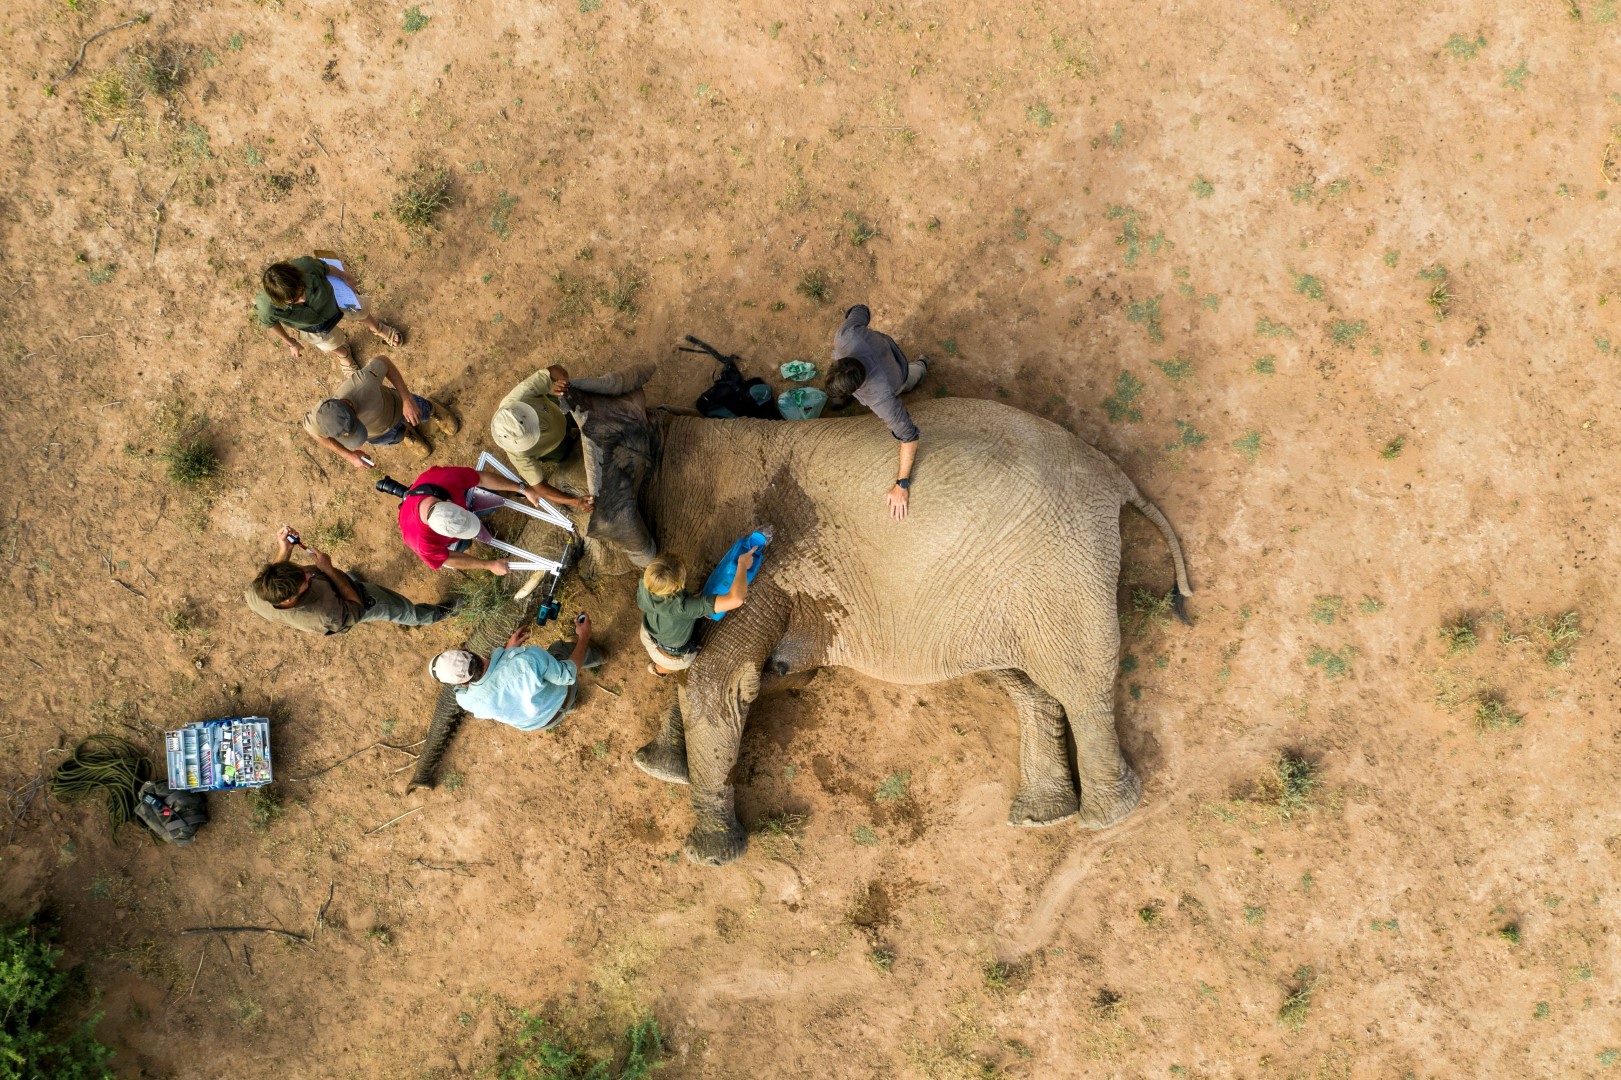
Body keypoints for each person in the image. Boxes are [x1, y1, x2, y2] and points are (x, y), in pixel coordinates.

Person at [824, 303, 930, 520]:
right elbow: (860, 309)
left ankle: (923, 365)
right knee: (906, 372)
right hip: (883, 348)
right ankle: (920, 366)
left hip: (897, 375)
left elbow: (909, 436)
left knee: (911, 376)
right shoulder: (847, 335)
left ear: (858, 389)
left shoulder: (882, 398)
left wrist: (902, 483)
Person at [246, 526, 454, 635]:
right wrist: (328, 570)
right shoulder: (326, 614)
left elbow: (275, 570)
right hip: (355, 604)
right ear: (291, 599)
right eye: (306, 581)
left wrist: (284, 549)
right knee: (400, 609)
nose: (309, 574)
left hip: (332, 593)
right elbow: (356, 606)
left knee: (342, 579)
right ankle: (434, 615)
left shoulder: (256, 593)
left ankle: (346, 580)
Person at [398, 464, 592, 574]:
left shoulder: (444, 479)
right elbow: (449, 559)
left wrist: (523, 489)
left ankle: (472, 517)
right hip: (435, 538)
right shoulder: (422, 544)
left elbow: (481, 479)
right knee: (461, 547)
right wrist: (488, 565)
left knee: (486, 492)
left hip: (445, 497)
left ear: (448, 501)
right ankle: (462, 540)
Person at [429, 615, 603, 731]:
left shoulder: (466, 701)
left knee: (559, 704)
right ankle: (600, 656)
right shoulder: (526, 659)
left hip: (542, 723)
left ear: (462, 684)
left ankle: (572, 706)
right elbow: (567, 675)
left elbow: (494, 681)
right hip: (564, 692)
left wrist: (506, 652)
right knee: (558, 650)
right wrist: (584, 636)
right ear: (468, 650)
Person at [305, 356, 459, 467]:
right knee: (394, 437)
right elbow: (313, 433)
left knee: (421, 410)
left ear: (351, 409)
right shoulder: (321, 419)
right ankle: (406, 433)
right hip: (377, 435)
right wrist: (349, 455)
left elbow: (384, 362)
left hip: (397, 407)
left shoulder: (363, 383)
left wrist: (406, 399)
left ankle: (433, 410)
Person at [255, 256, 402, 371]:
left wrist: (346, 277)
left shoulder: (306, 266)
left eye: (302, 290)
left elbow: (326, 268)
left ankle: (377, 328)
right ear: (279, 301)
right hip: (313, 327)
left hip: (336, 301)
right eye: (294, 300)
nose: (302, 299)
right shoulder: (265, 307)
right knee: (329, 343)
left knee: (359, 311)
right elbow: (270, 324)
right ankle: (344, 355)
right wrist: (291, 343)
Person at [636, 546, 757, 677]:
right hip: (670, 657)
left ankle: (657, 667)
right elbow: (736, 599)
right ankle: (659, 670)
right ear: (677, 585)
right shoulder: (686, 607)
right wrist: (742, 565)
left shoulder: (645, 584)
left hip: (647, 634)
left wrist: (694, 602)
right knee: (667, 665)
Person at [491, 364, 579, 485]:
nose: (536, 432)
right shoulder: (515, 452)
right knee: (573, 453)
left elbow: (554, 370)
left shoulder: (521, 395)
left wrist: (562, 384)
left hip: (558, 412)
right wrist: (576, 502)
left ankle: (574, 427)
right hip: (554, 450)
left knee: (579, 418)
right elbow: (538, 486)